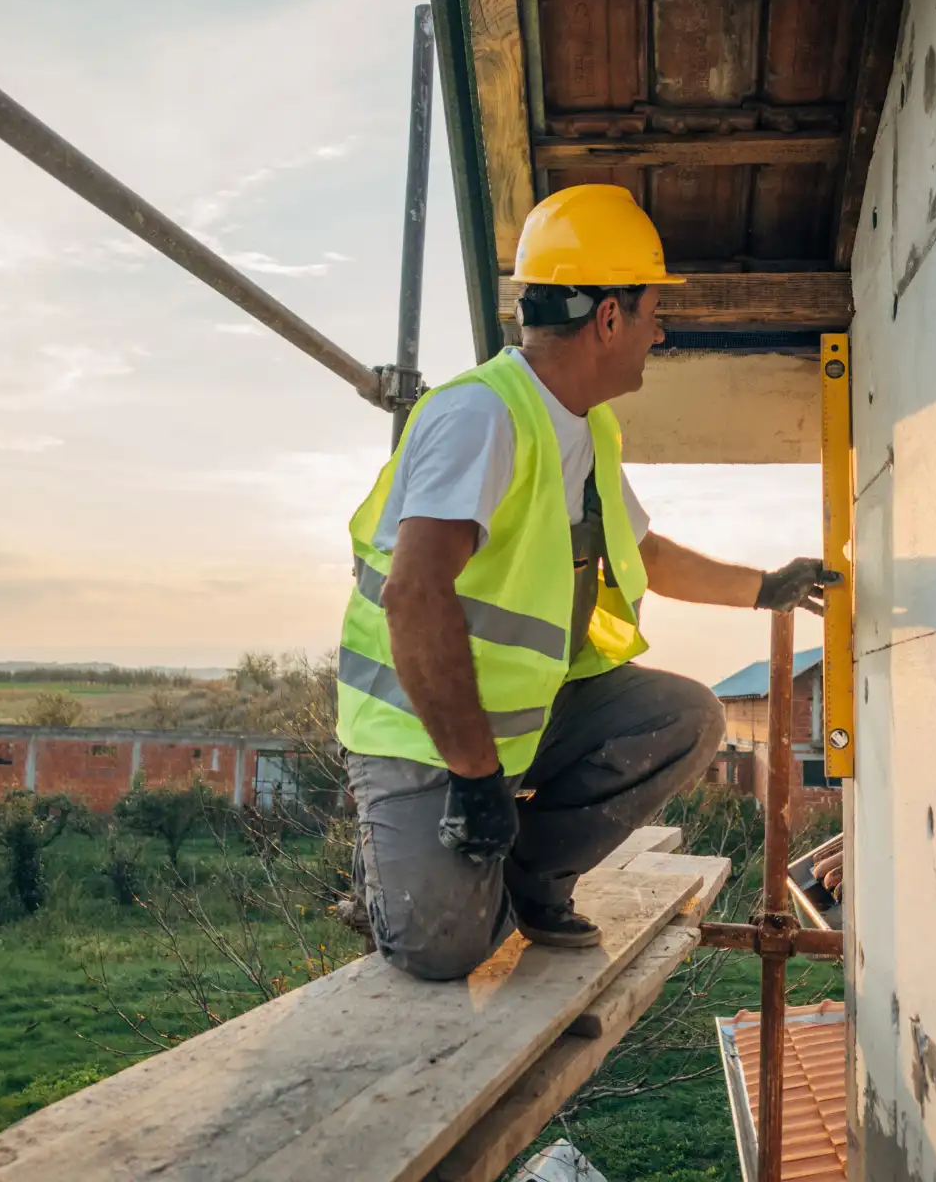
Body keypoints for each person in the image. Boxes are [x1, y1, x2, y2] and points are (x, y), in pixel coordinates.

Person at [335, 184, 838, 981]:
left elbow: (648, 553)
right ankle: (387, 875)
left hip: (524, 724)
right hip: (423, 735)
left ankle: (530, 880)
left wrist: (764, 587)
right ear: (608, 318)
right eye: (649, 311)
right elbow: (414, 595)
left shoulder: (586, 424)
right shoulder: (482, 418)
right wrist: (473, 777)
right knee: (442, 953)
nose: (658, 331)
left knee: (686, 716)